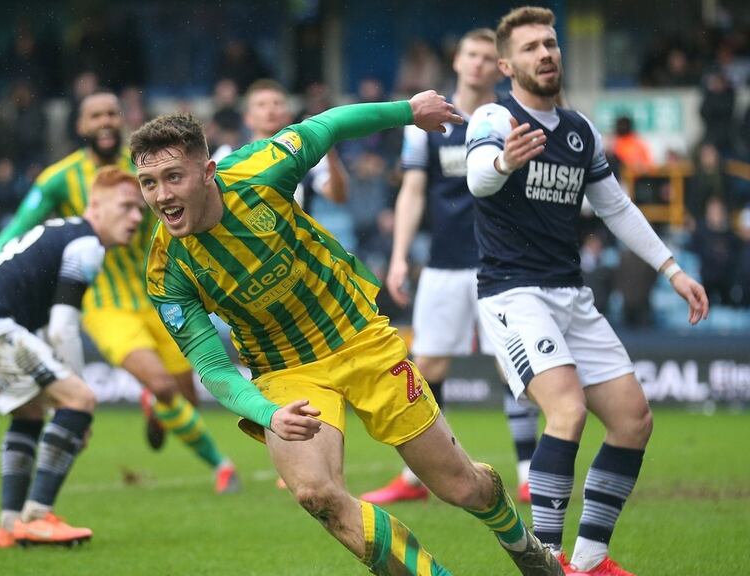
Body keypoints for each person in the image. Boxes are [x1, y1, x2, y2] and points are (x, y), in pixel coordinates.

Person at [134, 96, 564, 575]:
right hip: (284, 372)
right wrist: (268, 413)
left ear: (209, 171)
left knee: (460, 486)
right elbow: (212, 366)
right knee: (316, 493)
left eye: (174, 177)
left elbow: (329, 124)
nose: (162, 196)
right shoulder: (164, 270)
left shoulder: (259, 170)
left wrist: (409, 110)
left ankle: (522, 545)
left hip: (359, 337)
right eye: (149, 183)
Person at [464, 7, 710, 575]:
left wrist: (673, 269)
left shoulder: (579, 131)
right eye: (530, 48)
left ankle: (592, 559)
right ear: (507, 64)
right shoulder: (493, 117)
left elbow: (616, 207)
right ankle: (547, 562)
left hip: (570, 294)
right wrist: (505, 160)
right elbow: (478, 178)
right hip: (512, 294)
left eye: (550, 44)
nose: (545, 53)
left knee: (632, 419)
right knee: (567, 411)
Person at [0, 90, 239, 493]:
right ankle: (222, 465)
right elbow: (16, 228)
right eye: (95, 115)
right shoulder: (60, 178)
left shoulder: (147, 168)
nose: (105, 121)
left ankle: (156, 409)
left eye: (112, 113)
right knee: (161, 385)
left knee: (184, 400)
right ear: (81, 126)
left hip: (161, 294)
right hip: (106, 305)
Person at [363, 28, 540, 506]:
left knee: (512, 368)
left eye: (488, 57)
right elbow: (413, 191)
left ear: (499, 66)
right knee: (427, 367)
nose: (480, 63)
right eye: (472, 55)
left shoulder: (512, 118)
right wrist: (399, 256)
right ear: (457, 61)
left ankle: (530, 475)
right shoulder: (427, 120)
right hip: (443, 265)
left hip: (501, 263)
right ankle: (416, 476)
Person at [0, 166, 144, 548]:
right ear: (96, 205)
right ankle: (39, 516)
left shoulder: (57, 232)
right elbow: (62, 328)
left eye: (140, 209)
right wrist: (77, 401)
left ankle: (8, 525)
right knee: (79, 399)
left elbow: (40, 326)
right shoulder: (86, 243)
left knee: (27, 413)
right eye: (127, 206)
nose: (137, 217)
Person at [211, 78, 348, 215]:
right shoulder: (227, 154)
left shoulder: (307, 151)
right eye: (261, 105)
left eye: (277, 103)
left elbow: (338, 196)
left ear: (289, 116)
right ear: (248, 118)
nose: (270, 110)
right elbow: (208, 197)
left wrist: (328, 146)